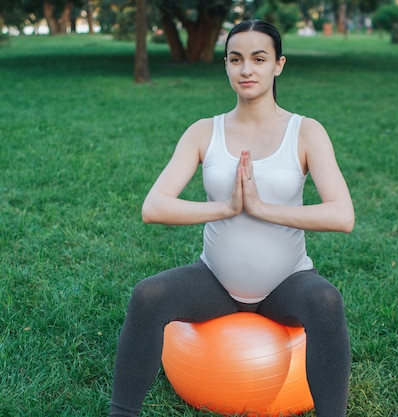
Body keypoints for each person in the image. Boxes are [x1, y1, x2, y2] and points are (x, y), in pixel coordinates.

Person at [109, 19, 354, 417]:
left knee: (326, 301)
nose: (246, 69)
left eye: (259, 58)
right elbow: (153, 207)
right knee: (147, 295)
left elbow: (343, 215)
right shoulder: (205, 132)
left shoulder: (306, 132)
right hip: (216, 281)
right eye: (235, 59)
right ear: (225, 65)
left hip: (286, 283)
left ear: (278, 64)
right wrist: (224, 209)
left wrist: (262, 209)